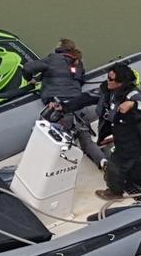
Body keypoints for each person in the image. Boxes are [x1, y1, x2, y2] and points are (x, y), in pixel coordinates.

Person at [22, 39, 107, 168]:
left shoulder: (52, 59)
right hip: (77, 104)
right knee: (86, 141)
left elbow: (27, 68)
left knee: (44, 137)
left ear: (60, 48)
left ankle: (37, 167)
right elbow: (78, 79)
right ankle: (103, 161)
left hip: (57, 107)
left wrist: (31, 79)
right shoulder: (77, 64)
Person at [94, 63, 141, 200]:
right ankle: (140, 183)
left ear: (121, 82)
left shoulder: (132, 95)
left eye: (111, 79)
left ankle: (115, 192)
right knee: (136, 161)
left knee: (115, 165)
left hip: (131, 138)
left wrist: (133, 104)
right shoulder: (109, 91)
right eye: (108, 77)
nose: (108, 80)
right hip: (120, 133)